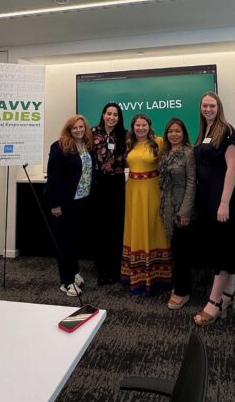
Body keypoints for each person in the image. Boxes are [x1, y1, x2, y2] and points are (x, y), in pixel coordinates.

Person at [193, 91, 235, 325]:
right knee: (223, 246)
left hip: (224, 198)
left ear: (219, 107)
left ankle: (214, 302)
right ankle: (230, 294)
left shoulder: (227, 130)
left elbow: (233, 168)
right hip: (208, 197)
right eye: (205, 105)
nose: (208, 109)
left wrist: (224, 203)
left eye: (212, 105)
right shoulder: (204, 130)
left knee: (220, 249)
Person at [121, 114, 172, 295]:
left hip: (152, 191)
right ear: (133, 127)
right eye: (137, 125)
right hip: (133, 192)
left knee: (154, 227)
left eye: (144, 125)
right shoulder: (129, 143)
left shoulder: (159, 142)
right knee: (136, 228)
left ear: (149, 126)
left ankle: (158, 276)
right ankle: (137, 275)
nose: (141, 128)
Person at [45, 114, 94, 297]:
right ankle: (66, 281)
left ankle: (74, 272)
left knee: (74, 240)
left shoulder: (87, 146)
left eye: (81, 127)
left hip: (82, 200)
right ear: (69, 129)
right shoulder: (59, 147)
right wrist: (55, 204)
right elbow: (54, 177)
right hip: (64, 202)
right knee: (64, 241)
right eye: (75, 127)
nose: (78, 130)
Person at [159, 118, 196, 309]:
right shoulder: (165, 153)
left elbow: (191, 183)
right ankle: (179, 284)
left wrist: (185, 211)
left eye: (177, 131)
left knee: (182, 252)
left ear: (184, 133)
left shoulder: (188, 153)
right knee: (175, 248)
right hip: (168, 206)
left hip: (182, 206)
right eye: (170, 131)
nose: (174, 134)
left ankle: (183, 291)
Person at [91, 102, 127, 285]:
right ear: (103, 115)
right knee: (100, 227)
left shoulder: (125, 135)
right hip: (98, 184)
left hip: (117, 184)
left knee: (116, 226)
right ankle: (102, 269)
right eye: (109, 113)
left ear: (119, 118)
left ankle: (115, 268)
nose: (112, 117)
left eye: (115, 114)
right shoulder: (92, 133)